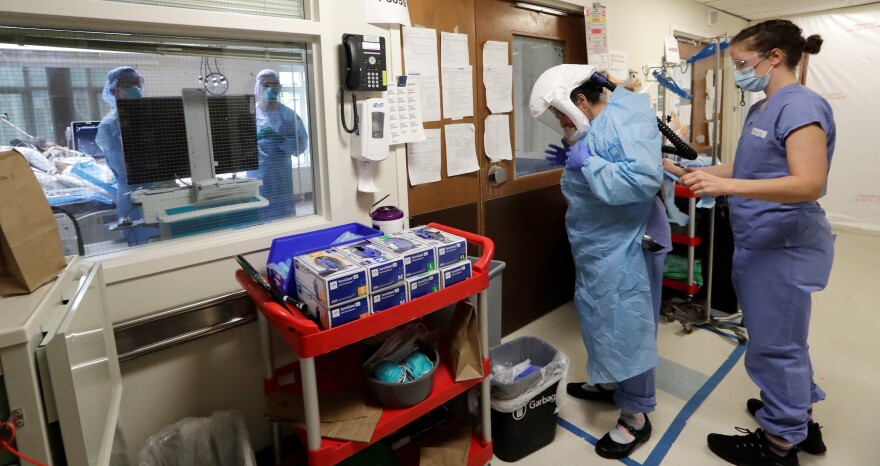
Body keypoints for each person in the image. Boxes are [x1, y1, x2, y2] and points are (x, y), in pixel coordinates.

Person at [665, 19, 834, 466]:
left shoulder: (800, 106)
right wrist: (683, 168)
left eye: (742, 62)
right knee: (781, 340)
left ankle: (780, 446)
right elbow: (746, 168)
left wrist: (728, 189)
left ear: (774, 57)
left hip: (786, 247)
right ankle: (799, 418)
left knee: (776, 347)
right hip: (760, 243)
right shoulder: (764, 107)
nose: (739, 70)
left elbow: (809, 182)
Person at [530, 64, 670, 459]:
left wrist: (586, 163)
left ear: (578, 101)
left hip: (630, 239)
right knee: (598, 313)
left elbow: (642, 180)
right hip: (601, 240)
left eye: (559, 113)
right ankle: (610, 382)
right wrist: (578, 156)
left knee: (629, 322)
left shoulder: (627, 116)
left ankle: (635, 417)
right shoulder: (600, 120)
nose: (559, 122)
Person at [95, 66, 160, 246]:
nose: (134, 87)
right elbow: (123, 166)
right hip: (133, 196)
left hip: (163, 189)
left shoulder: (154, 115)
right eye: (126, 84)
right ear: (114, 90)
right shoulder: (109, 126)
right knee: (141, 248)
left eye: (136, 82)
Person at [248, 69, 309, 222]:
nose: (270, 88)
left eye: (274, 84)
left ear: (279, 88)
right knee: (259, 210)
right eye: (266, 85)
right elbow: (237, 146)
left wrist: (280, 139)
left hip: (281, 174)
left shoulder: (289, 115)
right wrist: (256, 137)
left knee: (283, 216)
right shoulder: (249, 114)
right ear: (258, 88)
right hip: (256, 173)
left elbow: (301, 145)